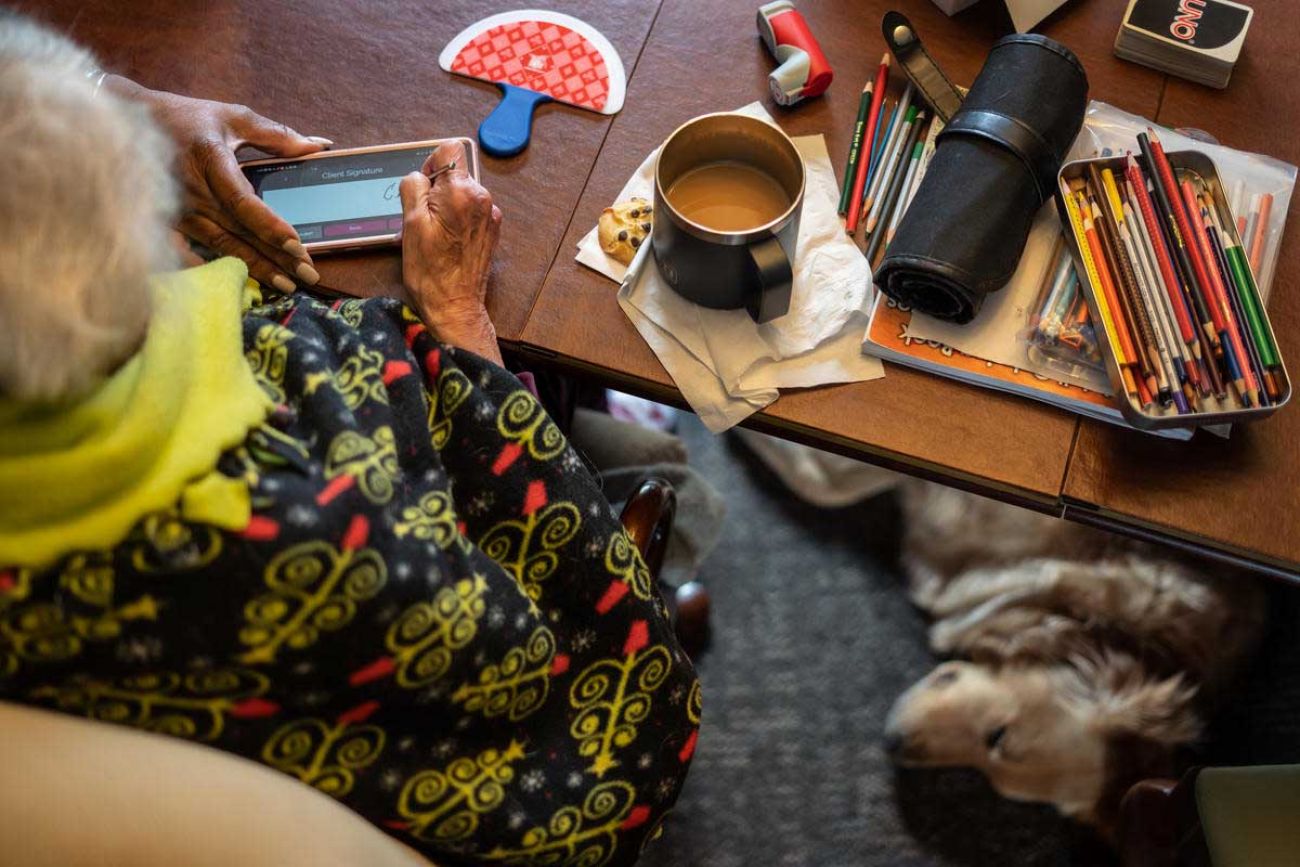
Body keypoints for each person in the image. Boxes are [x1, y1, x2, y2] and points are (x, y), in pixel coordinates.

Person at [0, 15, 700, 866]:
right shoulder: (328, 521)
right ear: (139, 255)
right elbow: (548, 660)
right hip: (508, 765)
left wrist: (114, 100)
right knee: (604, 422)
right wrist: (455, 316)